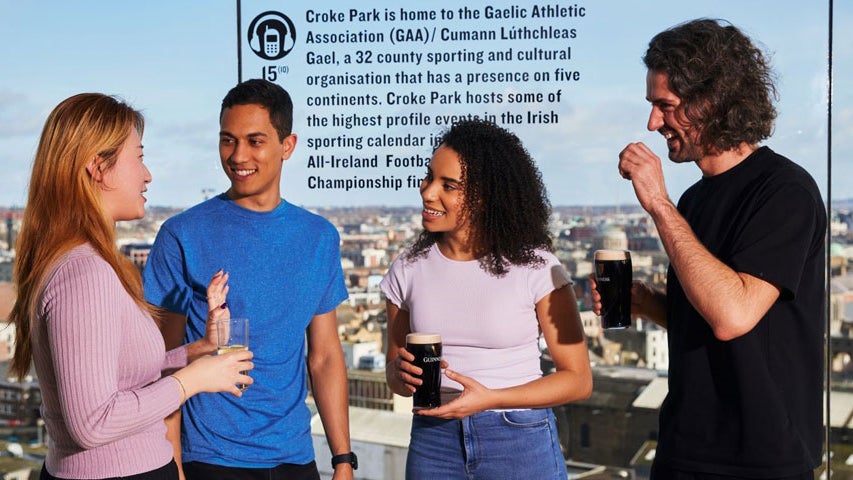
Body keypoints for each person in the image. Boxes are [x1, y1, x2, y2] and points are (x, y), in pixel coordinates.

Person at [594, 18, 825, 479]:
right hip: (684, 450)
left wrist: (658, 203)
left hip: (760, 459)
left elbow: (732, 315)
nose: (653, 122)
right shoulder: (695, 200)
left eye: (666, 106)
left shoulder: (784, 192)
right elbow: (704, 317)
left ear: (712, 100)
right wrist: (649, 306)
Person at [8, 93, 254, 480]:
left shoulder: (87, 262)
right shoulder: (83, 274)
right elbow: (92, 423)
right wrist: (193, 381)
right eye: (139, 156)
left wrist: (199, 349)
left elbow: (120, 374)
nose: (148, 174)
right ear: (98, 167)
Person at [142, 79, 354, 480]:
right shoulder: (182, 234)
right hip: (210, 458)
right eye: (228, 140)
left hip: (295, 456)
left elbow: (324, 356)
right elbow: (164, 362)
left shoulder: (319, 237)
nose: (238, 155)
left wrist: (342, 459)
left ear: (287, 146)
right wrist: (174, 468)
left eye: (255, 141)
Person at [382, 119, 593, 480]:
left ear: (484, 197)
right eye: (429, 177)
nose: (428, 192)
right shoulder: (407, 268)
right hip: (434, 442)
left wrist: (492, 398)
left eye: (448, 185)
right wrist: (402, 375)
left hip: (518, 438)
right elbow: (395, 375)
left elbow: (578, 380)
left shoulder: (538, 268)